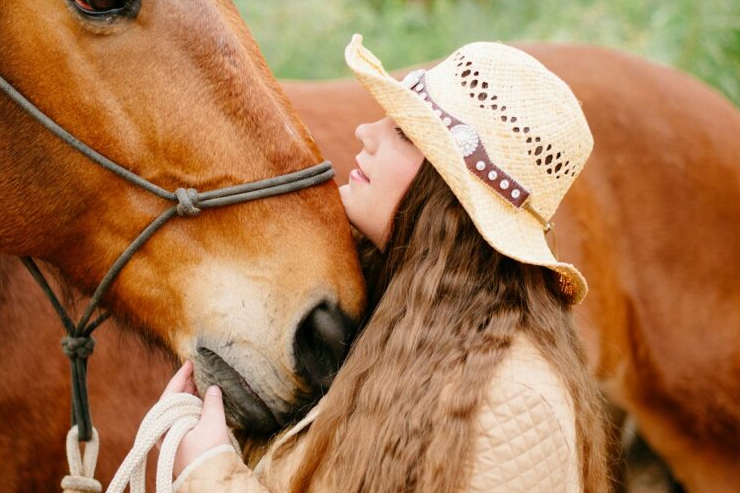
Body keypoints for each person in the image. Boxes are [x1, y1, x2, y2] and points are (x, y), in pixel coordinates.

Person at [163, 34, 609, 492]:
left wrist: (209, 472)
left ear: (447, 197)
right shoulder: (393, 320)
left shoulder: (514, 401)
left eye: (402, 132)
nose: (366, 132)